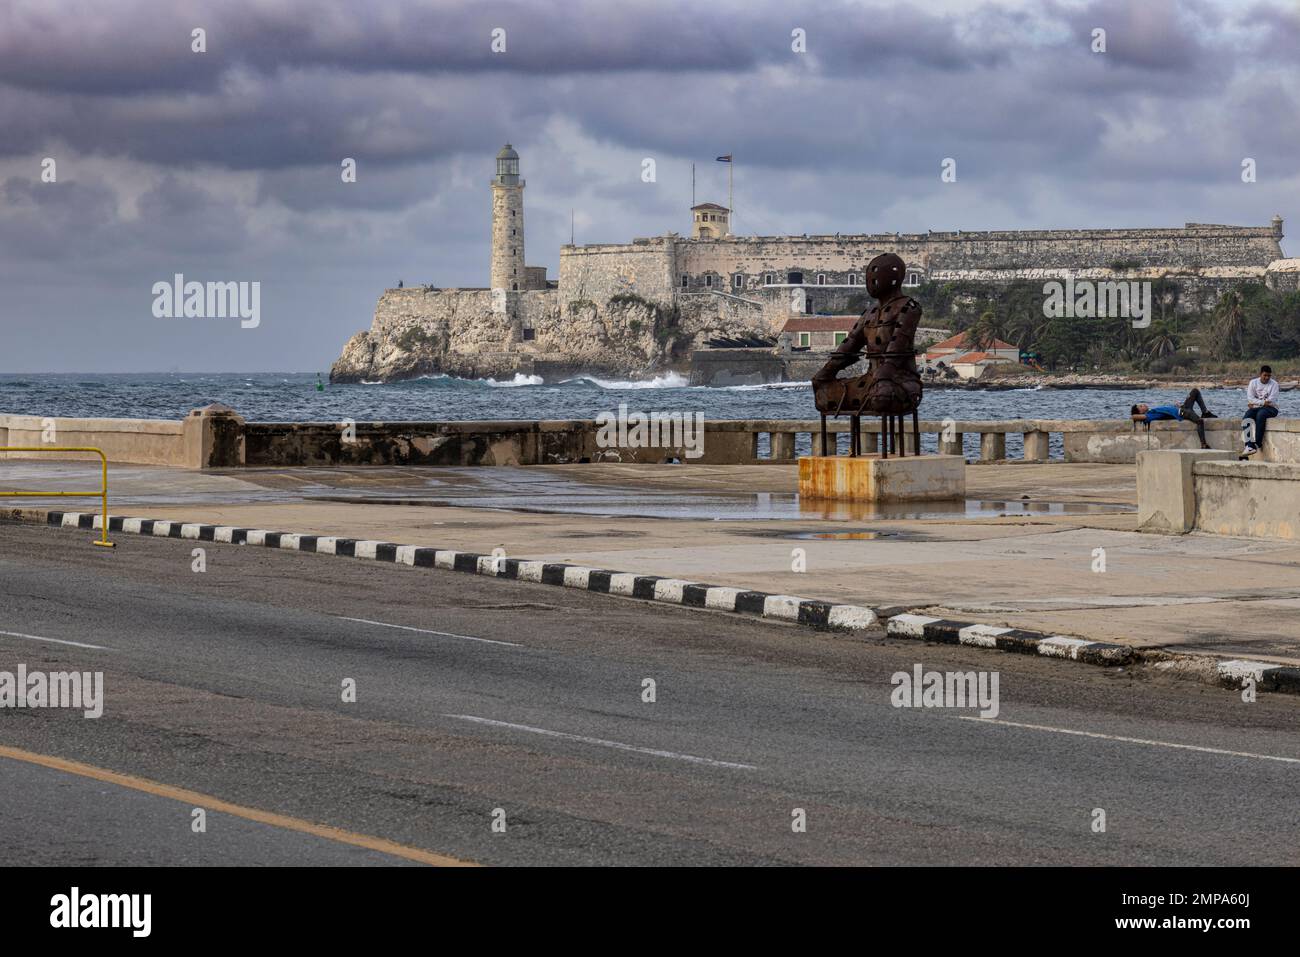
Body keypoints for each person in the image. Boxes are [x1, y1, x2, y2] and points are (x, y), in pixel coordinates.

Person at [1130, 388, 1217, 449]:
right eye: (1141, 406)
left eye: (1142, 404)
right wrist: (1134, 415)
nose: (1143, 404)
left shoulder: (1152, 410)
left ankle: (1205, 412)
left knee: (1195, 391)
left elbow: (1167, 411)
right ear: (1140, 412)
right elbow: (1133, 416)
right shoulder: (1150, 415)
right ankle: (1203, 444)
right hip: (1182, 413)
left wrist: (1175, 406)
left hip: (1183, 408)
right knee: (1199, 421)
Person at [1240, 365, 1280, 458]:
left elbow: (1271, 401)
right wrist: (1262, 403)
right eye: (1265, 375)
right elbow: (1250, 398)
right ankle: (1249, 445)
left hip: (1272, 409)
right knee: (1246, 417)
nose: (1267, 378)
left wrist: (1255, 403)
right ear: (1260, 374)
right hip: (1257, 407)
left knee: (1261, 414)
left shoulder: (1274, 384)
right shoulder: (1253, 383)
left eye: (1269, 376)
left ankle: (1257, 443)